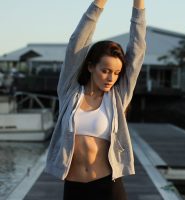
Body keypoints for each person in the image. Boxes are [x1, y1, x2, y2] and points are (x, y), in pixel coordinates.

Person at [43, 0, 146, 199]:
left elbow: (138, 48)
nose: (111, 78)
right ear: (90, 67)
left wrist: (138, 4)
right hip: (74, 187)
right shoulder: (70, 92)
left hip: (108, 186)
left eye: (116, 73)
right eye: (105, 70)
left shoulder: (117, 97)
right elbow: (77, 42)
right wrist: (100, 3)